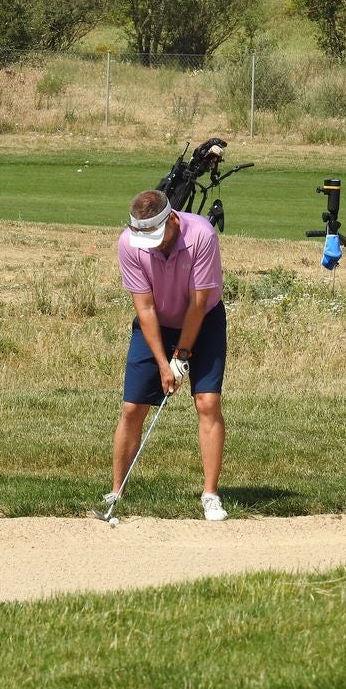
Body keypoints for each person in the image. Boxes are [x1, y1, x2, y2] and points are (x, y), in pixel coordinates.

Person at [105, 189, 229, 521]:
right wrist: (163, 364)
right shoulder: (129, 243)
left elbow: (198, 303)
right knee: (132, 407)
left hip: (204, 320)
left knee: (207, 403)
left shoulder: (201, 234)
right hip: (156, 321)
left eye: (158, 237)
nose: (155, 245)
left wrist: (181, 355)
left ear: (172, 219)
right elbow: (144, 307)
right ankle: (116, 490)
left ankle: (210, 494)